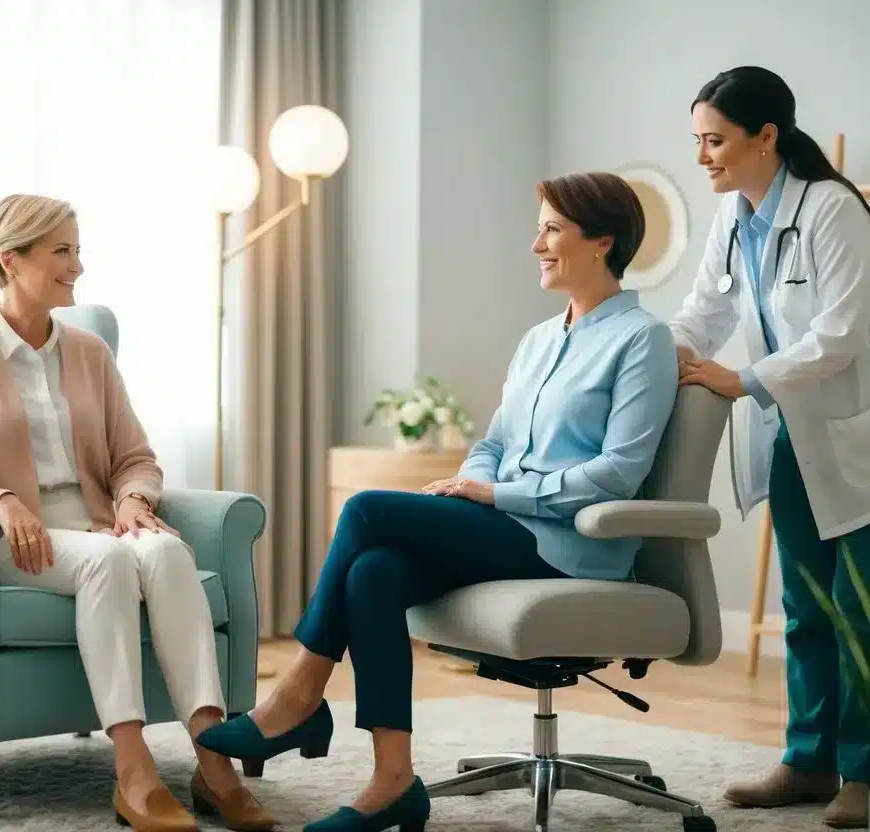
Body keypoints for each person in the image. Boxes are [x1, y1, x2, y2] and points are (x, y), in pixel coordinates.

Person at [195, 172, 680, 831]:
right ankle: (393, 779)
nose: (535, 242)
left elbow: (619, 473)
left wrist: (496, 491)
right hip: (505, 525)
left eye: (551, 229)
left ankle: (298, 695)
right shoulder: (539, 339)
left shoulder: (640, 340)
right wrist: (468, 480)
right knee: (374, 572)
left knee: (366, 509)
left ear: (602, 241)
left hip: (571, 546)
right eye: (537, 227)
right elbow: (496, 438)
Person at [0, 194, 273, 832]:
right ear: (10, 260)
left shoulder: (90, 353)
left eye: (78, 249)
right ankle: (133, 772)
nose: (78, 265)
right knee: (108, 561)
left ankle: (213, 763)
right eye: (63, 251)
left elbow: (136, 456)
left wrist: (133, 499)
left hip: (101, 525)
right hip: (14, 540)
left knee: (163, 549)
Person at [672, 67, 870, 829]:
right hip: (792, 431)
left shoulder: (831, 208)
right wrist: (654, 358)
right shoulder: (733, 215)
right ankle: (807, 760)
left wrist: (742, 379)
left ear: (764, 136)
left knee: (862, 609)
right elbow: (702, 310)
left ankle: (865, 770)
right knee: (804, 607)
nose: (703, 158)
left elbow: (840, 334)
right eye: (696, 142)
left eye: (713, 141)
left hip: (866, 434)